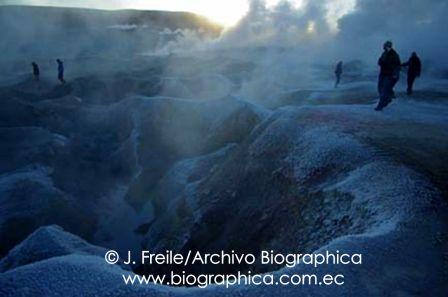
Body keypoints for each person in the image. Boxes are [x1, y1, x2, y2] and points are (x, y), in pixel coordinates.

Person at [375, 41, 401, 111]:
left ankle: (380, 106)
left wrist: (395, 74)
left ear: (387, 46)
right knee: (380, 89)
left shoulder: (394, 55)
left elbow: (397, 65)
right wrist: (380, 62)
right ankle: (388, 99)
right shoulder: (384, 53)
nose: (383, 46)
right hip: (383, 73)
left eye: (384, 45)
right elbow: (380, 60)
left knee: (384, 90)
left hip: (389, 75)